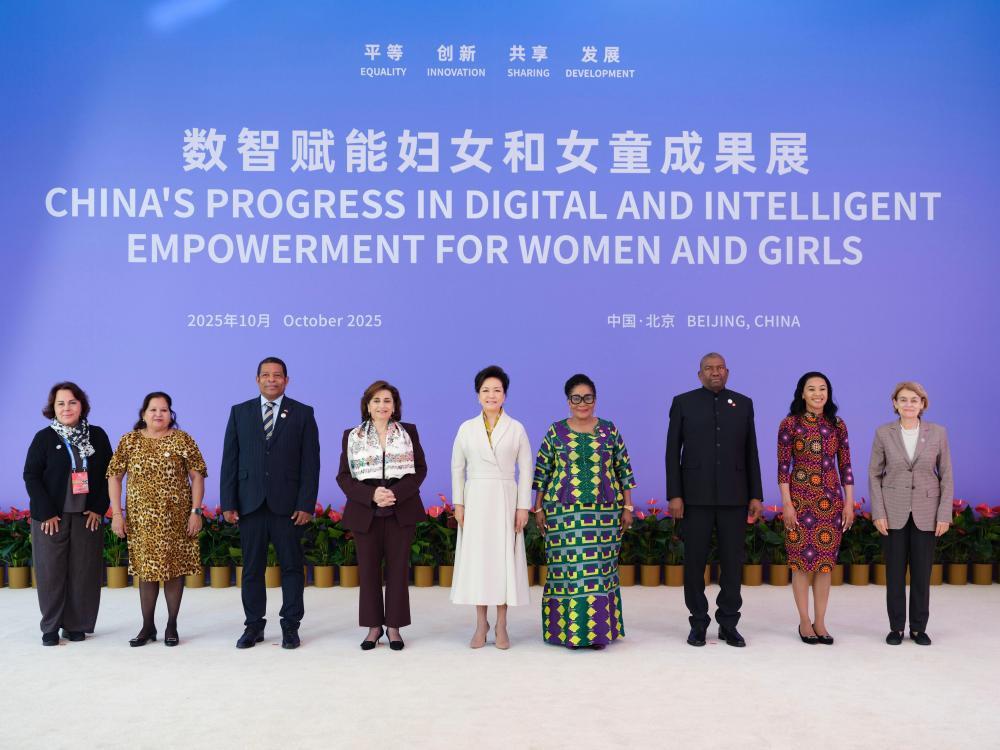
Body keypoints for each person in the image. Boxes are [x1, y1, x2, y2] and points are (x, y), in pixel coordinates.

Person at [220, 357, 320, 650]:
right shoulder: (240, 412)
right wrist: (228, 501)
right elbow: (230, 460)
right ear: (257, 380)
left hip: (288, 506)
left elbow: (311, 463)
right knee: (252, 569)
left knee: (292, 568)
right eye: (266, 375)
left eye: (277, 375)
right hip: (249, 503)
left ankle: (290, 626)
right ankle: (253, 626)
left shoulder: (303, 413)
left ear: (286, 380)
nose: (271, 379)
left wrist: (306, 503)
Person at [666, 352, 763, 647]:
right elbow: (672, 451)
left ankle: (728, 623)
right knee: (695, 563)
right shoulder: (683, 403)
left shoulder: (743, 403)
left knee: (732, 564)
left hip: (735, 497)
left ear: (727, 372)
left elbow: (751, 451)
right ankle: (698, 623)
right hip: (694, 497)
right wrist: (675, 494)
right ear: (700, 374)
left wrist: (756, 494)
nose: (715, 372)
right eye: (709, 368)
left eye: (720, 368)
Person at [532, 374, 635, 649]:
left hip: (604, 514)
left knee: (599, 571)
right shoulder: (556, 431)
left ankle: (597, 633)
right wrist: (538, 507)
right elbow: (542, 471)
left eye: (587, 397)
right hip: (562, 514)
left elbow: (623, 470)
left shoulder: (609, 430)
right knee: (567, 571)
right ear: (568, 401)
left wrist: (627, 506)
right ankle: (567, 632)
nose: (582, 403)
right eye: (576, 398)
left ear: (595, 400)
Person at [107, 392, 207, 647]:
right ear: (143, 414)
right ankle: (147, 626)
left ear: (170, 414)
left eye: (164, 410)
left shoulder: (182, 439)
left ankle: (172, 624)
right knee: (146, 571)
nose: (158, 414)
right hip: (142, 520)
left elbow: (197, 476)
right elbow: (114, 476)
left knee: (174, 570)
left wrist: (196, 512)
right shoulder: (129, 440)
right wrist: (117, 514)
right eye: (153, 409)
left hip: (176, 519)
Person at [337, 380, 427, 651]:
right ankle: (373, 627)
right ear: (367, 405)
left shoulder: (408, 432)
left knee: (398, 570)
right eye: (376, 400)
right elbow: (343, 477)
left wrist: (394, 493)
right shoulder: (352, 435)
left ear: (395, 406)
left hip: (401, 508)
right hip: (366, 511)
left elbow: (420, 469)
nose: (382, 405)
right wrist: (372, 495)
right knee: (368, 571)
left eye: (387, 400)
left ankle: (394, 627)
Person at [23, 382, 112, 646]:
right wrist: (46, 512)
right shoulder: (44, 438)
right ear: (53, 408)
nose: (66, 408)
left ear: (82, 405)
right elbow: (31, 476)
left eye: (72, 402)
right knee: (50, 573)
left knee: (84, 572)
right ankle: (50, 627)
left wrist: (99, 507)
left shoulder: (97, 436)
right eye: (60, 403)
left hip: (87, 516)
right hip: (52, 518)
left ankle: (76, 625)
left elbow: (110, 474)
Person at [450, 365, 532, 649]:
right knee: (479, 562)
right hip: (476, 499)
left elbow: (526, 469)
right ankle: (480, 623)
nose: (491, 395)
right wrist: (459, 504)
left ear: (505, 395)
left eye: (497, 390)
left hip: (505, 498)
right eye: (485, 390)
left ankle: (502, 624)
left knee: (503, 560)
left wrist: (523, 507)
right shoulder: (466, 428)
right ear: (478, 395)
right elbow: (457, 468)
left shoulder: (516, 428)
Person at [869, 381, 953, 646]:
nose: (908, 404)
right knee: (894, 574)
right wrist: (878, 512)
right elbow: (874, 474)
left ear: (923, 404)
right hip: (892, 512)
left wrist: (944, 514)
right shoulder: (884, 433)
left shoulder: (938, 433)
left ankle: (918, 628)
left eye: (914, 400)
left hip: (927, 512)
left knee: (921, 574)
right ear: (895, 403)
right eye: (903, 399)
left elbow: (947, 475)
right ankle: (896, 628)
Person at [777, 372, 854, 646]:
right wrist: (787, 503)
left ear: (828, 394)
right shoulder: (790, 424)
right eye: (811, 389)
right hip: (799, 502)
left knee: (824, 566)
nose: (818, 394)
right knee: (800, 565)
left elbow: (846, 466)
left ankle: (820, 621)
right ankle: (804, 621)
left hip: (830, 503)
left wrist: (848, 503)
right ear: (802, 393)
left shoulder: (837, 425)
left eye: (822, 389)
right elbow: (783, 468)